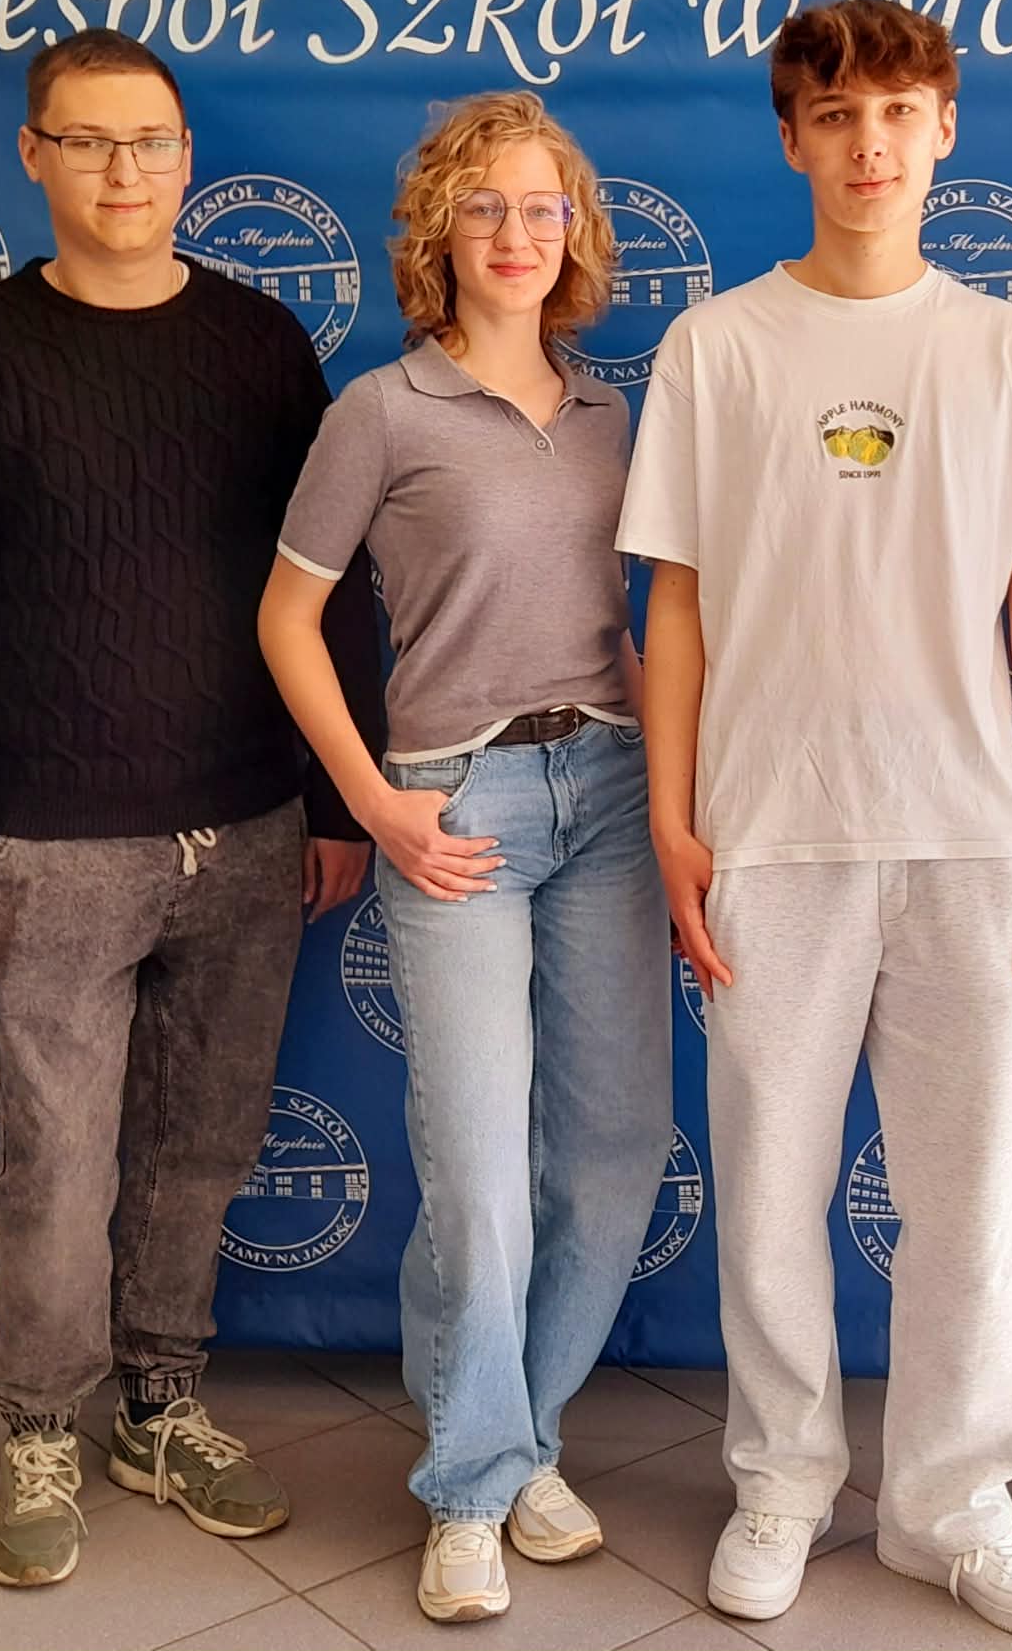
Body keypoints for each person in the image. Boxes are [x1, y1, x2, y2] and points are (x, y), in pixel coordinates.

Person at [0, 27, 382, 1588]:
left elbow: (332, 588)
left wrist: (335, 799)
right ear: (33, 156)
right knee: (54, 1158)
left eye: (148, 141)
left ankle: (160, 1406)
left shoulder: (260, 344)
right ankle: (40, 1425)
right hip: (54, 839)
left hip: (250, 826)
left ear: (185, 157)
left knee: (200, 1144)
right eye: (87, 142)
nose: (122, 172)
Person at [618, 0, 1012, 1641]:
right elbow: (677, 603)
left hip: (969, 841)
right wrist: (676, 821)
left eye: (897, 113)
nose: (869, 145)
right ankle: (783, 1482)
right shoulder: (718, 347)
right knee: (767, 1194)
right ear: (792, 140)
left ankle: (952, 1509)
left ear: (945, 129)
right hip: (770, 835)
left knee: (966, 1207)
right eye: (835, 117)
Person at [259, 91, 670, 1625]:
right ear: (441, 230)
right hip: (453, 808)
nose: (516, 233)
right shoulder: (382, 410)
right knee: (483, 1174)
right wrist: (372, 799)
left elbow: (647, 624)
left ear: (575, 232)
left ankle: (520, 1436)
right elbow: (287, 619)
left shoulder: (612, 414)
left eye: (541, 206)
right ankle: (472, 1488)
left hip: (612, 793)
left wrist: (677, 794)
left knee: (615, 1150)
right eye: (485, 206)